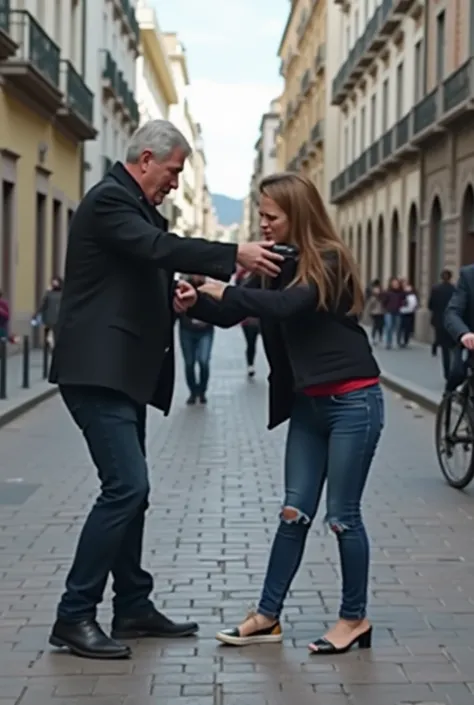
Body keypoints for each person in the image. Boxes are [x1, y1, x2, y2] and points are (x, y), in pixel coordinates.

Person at [48, 119, 283, 660]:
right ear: (148, 158)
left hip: (120, 375)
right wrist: (233, 254)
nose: (176, 183)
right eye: (174, 171)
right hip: (96, 373)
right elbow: (156, 247)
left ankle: (131, 606)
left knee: (135, 492)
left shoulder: (132, 205)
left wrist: (175, 295)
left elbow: (139, 267)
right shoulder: (110, 200)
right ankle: (73, 614)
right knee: (126, 488)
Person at [174, 172, 384, 655]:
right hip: (309, 405)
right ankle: (267, 616)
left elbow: (289, 305)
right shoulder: (274, 263)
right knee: (293, 513)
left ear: (298, 213)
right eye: (262, 215)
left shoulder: (327, 258)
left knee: (343, 517)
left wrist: (222, 289)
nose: (264, 224)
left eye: (271, 215)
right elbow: (246, 311)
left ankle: (354, 619)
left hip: (354, 400)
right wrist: (197, 302)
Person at [178, 274, 215, 405]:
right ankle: (193, 392)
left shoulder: (209, 287)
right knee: (189, 363)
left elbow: (217, 308)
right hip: (186, 330)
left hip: (205, 330)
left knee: (203, 361)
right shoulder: (183, 285)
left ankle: (202, 391)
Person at [429, 269, 456, 381]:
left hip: (439, 321)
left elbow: (430, 305)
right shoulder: (455, 290)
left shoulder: (435, 289)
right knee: (454, 348)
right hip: (453, 322)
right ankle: (455, 371)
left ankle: (447, 372)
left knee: (445, 349)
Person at [235, 266, 260, 376]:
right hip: (248, 318)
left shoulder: (261, 272)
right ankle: (250, 364)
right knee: (251, 342)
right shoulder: (242, 274)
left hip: (262, 315)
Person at [34, 276, 63, 348]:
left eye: (56, 281)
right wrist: (37, 313)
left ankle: (55, 345)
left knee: (56, 332)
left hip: (58, 317)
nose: (54, 283)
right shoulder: (49, 293)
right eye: (53, 281)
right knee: (48, 331)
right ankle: (48, 345)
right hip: (50, 317)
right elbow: (44, 304)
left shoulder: (63, 293)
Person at [381, 278, 405, 349]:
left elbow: (404, 300)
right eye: (394, 283)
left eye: (396, 283)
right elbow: (383, 301)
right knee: (389, 327)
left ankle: (399, 341)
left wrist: (402, 305)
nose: (395, 285)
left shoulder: (401, 293)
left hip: (398, 312)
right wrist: (386, 307)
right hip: (389, 312)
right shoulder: (388, 292)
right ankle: (389, 343)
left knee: (398, 327)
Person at [398, 283, 418, 348]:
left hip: (409, 313)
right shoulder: (401, 294)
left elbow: (414, 304)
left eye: (409, 287)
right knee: (400, 328)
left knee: (407, 328)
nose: (407, 288)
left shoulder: (413, 295)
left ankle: (405, 341)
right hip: (402, 313)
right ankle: (399, 341)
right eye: (406, 287)